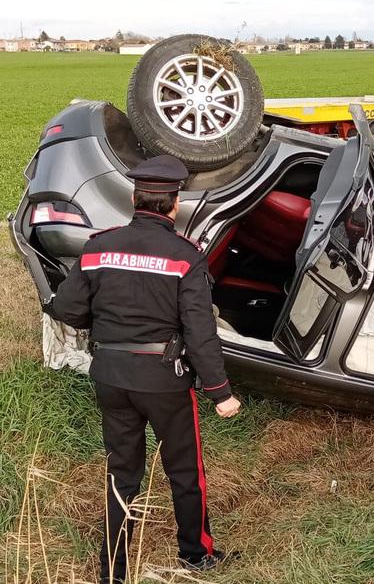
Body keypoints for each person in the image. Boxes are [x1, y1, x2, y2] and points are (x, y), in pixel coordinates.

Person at [44, 155, 241, 583]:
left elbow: (67, 309)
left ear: (135, 198)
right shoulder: (185, 256)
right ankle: (196, 554)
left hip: (110, 375)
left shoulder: (98, 246)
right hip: (163, 380)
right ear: (174, 205)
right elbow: (199, 331)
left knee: (122, 472)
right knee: (185, 471)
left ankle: (112, 570)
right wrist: (220, 392)